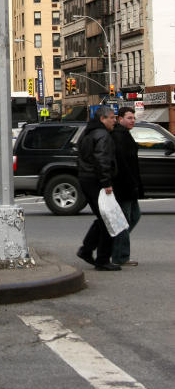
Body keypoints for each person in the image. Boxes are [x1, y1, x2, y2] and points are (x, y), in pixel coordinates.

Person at [76, 105, 120, 271]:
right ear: (102, 119)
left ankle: (87, 250)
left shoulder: (87, 133)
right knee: (108, 219)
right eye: (112, 118)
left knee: (102, 218)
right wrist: (106, 183)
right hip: (96, 181)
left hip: (86, 179)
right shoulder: (102, 135)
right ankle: (102, 259)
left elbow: (81, 156)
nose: (114, 121)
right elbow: (102, 160)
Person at [111, 107, 143, 266]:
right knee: (124, 221)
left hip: (130, 185)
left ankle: (117, 246)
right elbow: (122, 164)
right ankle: (120, 256)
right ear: (120, 119)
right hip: (123, 186)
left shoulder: (124, 134)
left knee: (134, 216)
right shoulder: (118, 136)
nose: (132, 121)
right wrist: (131, 183)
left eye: (133, 118)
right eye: (129, 118)